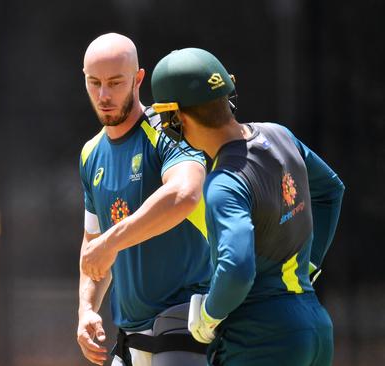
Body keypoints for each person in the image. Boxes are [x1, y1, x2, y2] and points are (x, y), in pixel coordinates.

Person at [150, 48, 345, 365]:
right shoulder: (280, 135)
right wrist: (309, 265)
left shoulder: (223, 183)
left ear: (176, 117)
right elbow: (331, 190)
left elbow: (237, 268)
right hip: (314, 325)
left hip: (260, 338)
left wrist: (210, 315)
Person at [77, 33, 212, 366]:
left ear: (138, 79)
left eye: (115, 82)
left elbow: (184, 194)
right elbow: (92, 244)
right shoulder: (91, 154)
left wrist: (111, 242)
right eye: (94, 83)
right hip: (129, 338)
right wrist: (86, 310)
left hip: (185, 322)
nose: (103, 95)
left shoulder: (168, 131)